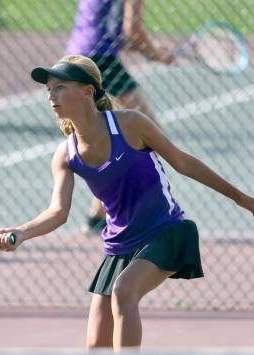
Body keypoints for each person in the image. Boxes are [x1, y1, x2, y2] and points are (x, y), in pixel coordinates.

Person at [0, 55, 254, 355]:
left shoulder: (130, 124)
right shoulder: (67, 154)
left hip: (166, 230)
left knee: (125, 292)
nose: (51, 97)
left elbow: (183, 162)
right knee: (96, 354)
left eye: (60, 88)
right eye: (49, 90)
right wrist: (22, 233)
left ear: (87, 91)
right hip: (119, 247)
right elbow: (58, 211)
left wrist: (242, 198)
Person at [66, 0, 175, 234]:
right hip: (101, 61)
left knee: (113, 138)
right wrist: (157, 55)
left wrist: (153, 48)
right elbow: (133, 32)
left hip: (76, 58)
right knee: (152, 135)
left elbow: (111, 29)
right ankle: (126, 213)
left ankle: (99, 216)